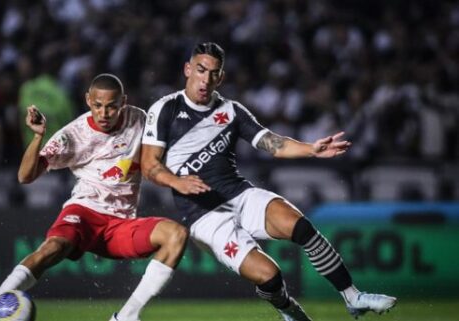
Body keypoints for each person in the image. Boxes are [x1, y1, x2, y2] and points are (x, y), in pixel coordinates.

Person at [140, 42, 396, 321]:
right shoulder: (165, 109)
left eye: (213, 73)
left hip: (239, 194)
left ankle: (352, 296)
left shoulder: (231, 111)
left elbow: (272, 143)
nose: (206, 79)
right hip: (203, 215)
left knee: (300, 226)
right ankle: (289, 310)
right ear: (188, 69)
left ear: (220, 78)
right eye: (200, 70)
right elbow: (149, 165)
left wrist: (311, 149)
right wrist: (178, 183)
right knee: (270, 276)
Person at [0, 73, 188, 321]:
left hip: (120, 225)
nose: (104, 113)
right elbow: (25, 176)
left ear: (123, 102)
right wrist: (39, 136)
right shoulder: (74, 134)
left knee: (176, 235)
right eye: (98, 105)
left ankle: (126, 317)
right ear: (87, 100)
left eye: (112, 106)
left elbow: (159, 157)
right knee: (53, 247)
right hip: (84, 213)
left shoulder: (140, 120)